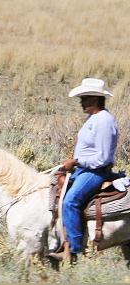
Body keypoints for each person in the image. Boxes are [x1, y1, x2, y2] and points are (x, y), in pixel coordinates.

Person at [48, 78, 118, 265]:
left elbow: (102, 158)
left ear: (95, 99)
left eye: (84, 98)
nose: (81, 102)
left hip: (96, 172)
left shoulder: (103, 121)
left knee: (70, 202)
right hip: (85, 169)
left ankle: (74, 251)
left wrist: (76, 161)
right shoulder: (94, 118)